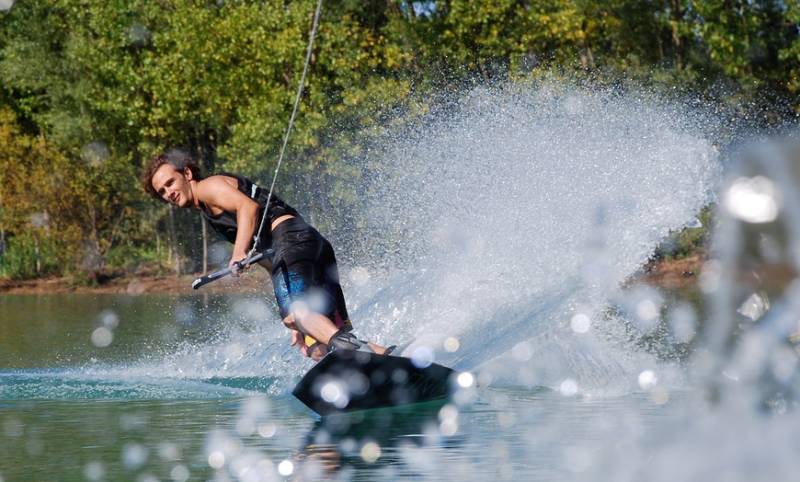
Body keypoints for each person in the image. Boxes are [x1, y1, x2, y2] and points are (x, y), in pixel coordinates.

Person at [142, 153, 390, 360]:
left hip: (291, 239)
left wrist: (238, 253)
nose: (168, 193)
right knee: (317, 347)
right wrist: (297, 320)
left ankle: (362, 355)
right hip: (308, 246)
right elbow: (266, 257)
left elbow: (248, 207)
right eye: (162, 192)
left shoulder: (208, 187)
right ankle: (385, 356)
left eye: (170, 183)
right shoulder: (207, 210)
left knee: (300, 314)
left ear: (186, 174)